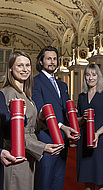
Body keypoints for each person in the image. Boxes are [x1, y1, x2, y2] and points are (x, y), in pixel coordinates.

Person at [1, 51, 64, 190]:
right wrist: (43, 147)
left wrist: (40, 119)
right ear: (11, 68)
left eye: (27, 65)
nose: (25, 69)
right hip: (16, 156)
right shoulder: (9, 93)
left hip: (28, 155)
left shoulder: (25, 94)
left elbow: (31, 127)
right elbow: (13, 135)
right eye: (20, 65)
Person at [32, 46, 79, 190]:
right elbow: (42, 111)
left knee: (58, 181)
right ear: (41, 61)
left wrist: (80, 118)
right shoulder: (35, 82)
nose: (52, 62)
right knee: (44, 181)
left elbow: (67, 110)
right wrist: (63, 127)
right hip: (46, 139)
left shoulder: (62, 84)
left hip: (63, 139)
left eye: (54, 59)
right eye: (48, 59)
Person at [77, 63, 103, 190]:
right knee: (87, 182)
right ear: (85, 77)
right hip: (84, 143)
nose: (91, 78)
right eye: (88, 75)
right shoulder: (81, 97)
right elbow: (77, 121)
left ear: (99, 77)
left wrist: (97, 134)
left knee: (101, 182)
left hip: (101, 142)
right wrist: (82, 118)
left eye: (94, 75)